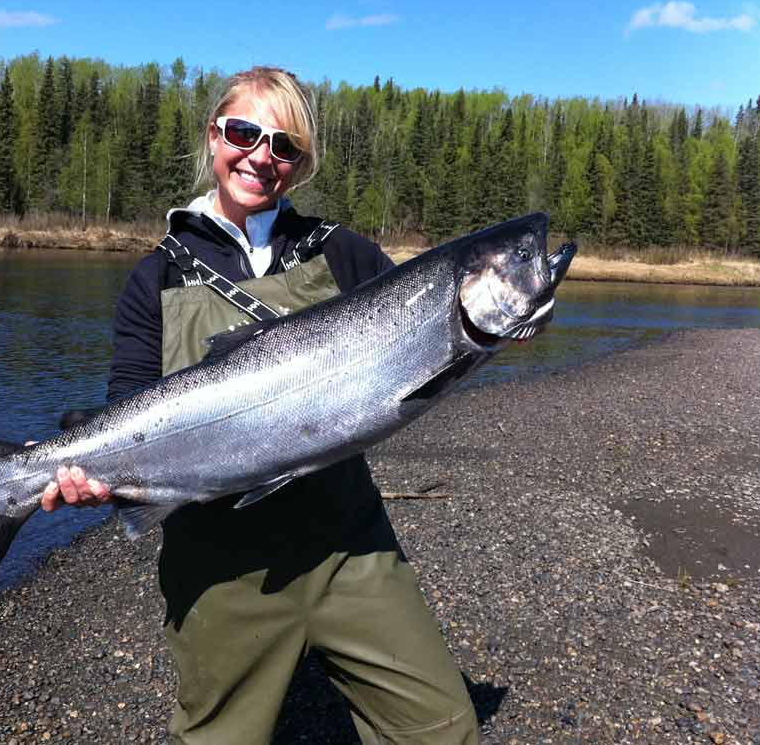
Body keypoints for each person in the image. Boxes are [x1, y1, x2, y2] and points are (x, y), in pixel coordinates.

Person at [38, 66, 480, 745]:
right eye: (245, 132)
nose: (260, 156)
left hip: (350, 548)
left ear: (299, 164)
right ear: (214, 135)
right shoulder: (155, 275)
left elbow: (423, 353)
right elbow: (125, 404)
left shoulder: (344, 252)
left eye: (284, 146)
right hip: (220, 566)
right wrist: (87, 475)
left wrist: (490, 328)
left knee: (442, 730)